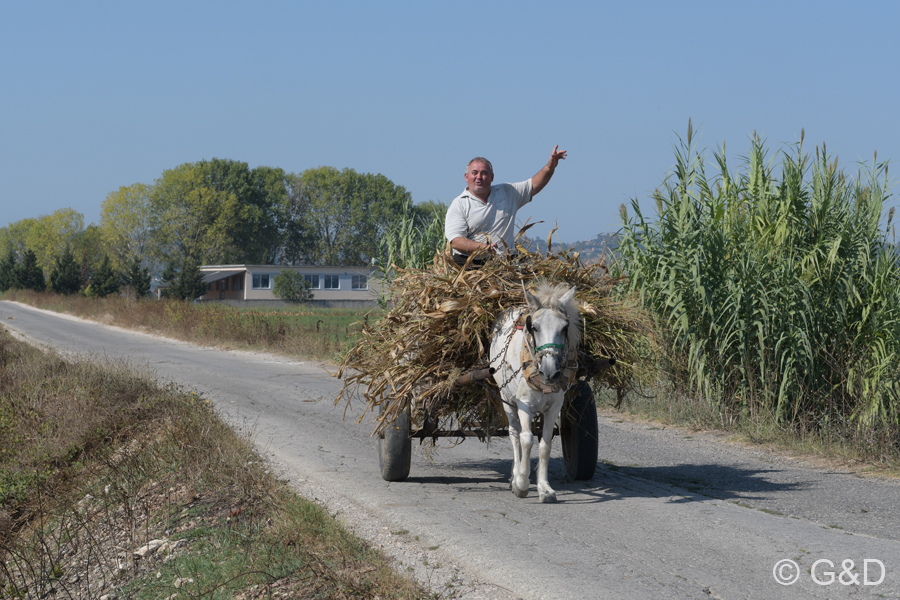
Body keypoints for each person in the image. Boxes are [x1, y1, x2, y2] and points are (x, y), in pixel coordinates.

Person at [444, 146, 567, 267]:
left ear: (492, 177)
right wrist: (484, 248)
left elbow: (534, 185)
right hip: (470, 264)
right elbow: (456, 241)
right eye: (474, 173)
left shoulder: (507, 192)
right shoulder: (459, 204)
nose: (479, 177)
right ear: (466, 177)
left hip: (505, 262)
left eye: (484, 173)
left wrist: (550, 166)